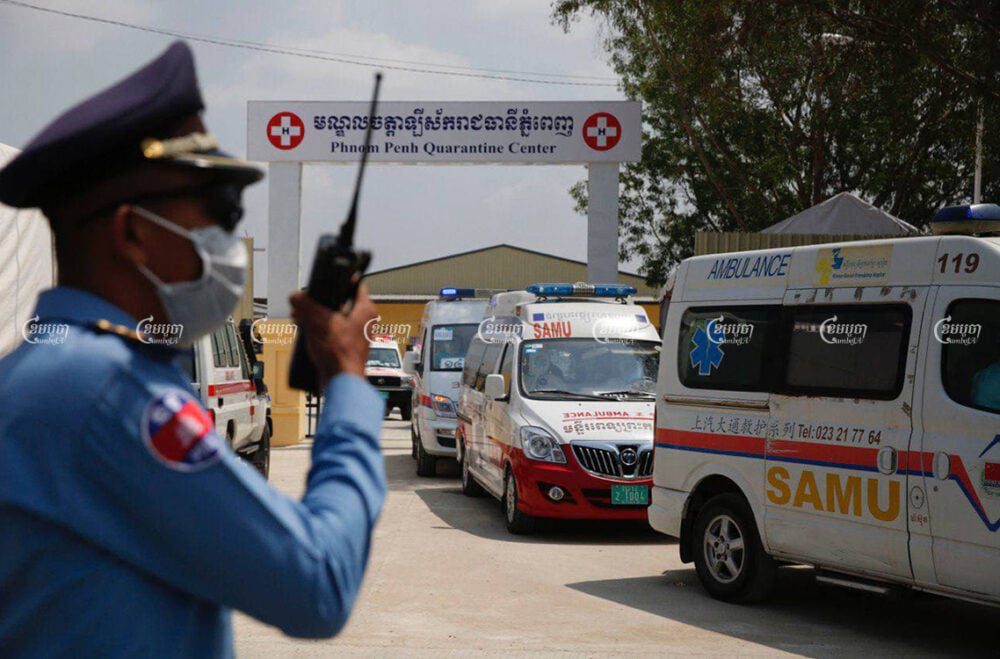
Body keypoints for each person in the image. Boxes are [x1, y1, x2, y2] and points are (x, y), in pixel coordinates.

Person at [0, 42, 386, 657]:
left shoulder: (45, 370)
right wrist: (346, 381)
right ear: (131, 233)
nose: (228, 239)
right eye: (217, 210)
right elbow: (316, 582)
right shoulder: (108, 393)